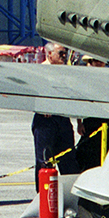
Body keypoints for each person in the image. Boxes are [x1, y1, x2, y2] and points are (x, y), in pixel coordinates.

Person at [32, 42, 79, 176]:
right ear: (50, 54)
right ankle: (43, 193)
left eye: (65, 53)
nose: (63, 56)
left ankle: (69, 191)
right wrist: (43, 107)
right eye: (60, 53)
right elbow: (34, 94)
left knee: (68, 158)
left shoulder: (64, 71)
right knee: (44, 160)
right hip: (45, 120)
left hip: (62, 117)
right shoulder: (40, 71)